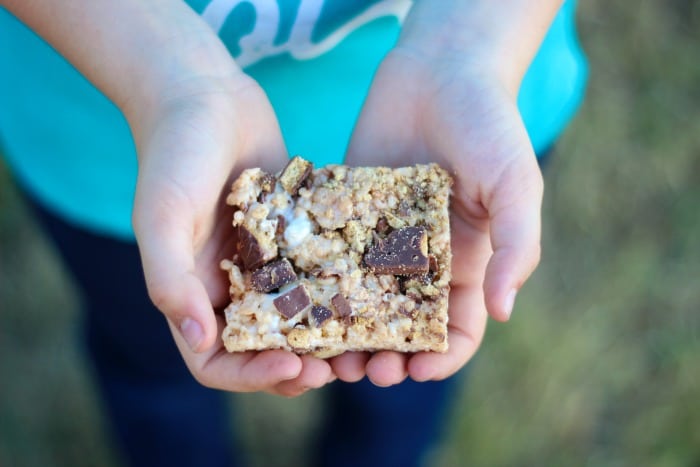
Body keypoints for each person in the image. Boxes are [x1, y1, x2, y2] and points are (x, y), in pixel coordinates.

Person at [0, 1, 587, 466]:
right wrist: (167, 77)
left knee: (401, 381)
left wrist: (467, 48)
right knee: (157, 363)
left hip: (474, 79)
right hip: (115, 130)